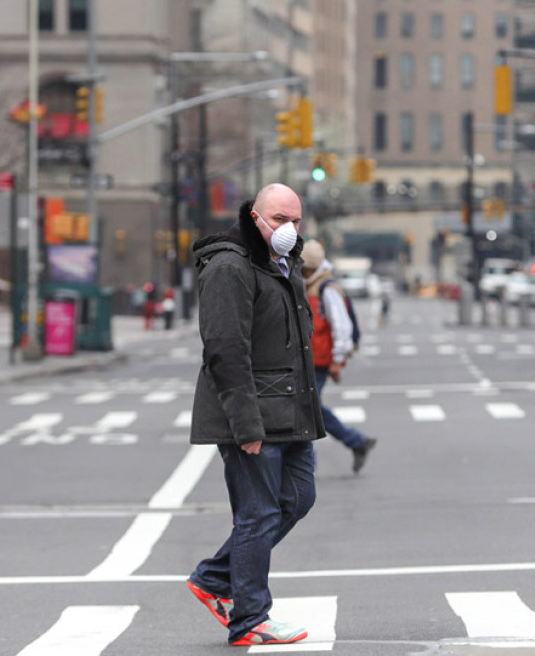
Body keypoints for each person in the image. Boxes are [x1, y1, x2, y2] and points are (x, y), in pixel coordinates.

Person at [185, 183, 325, 647]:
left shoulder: (282, 264)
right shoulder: (229, 266)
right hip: (255, 416)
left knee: (297, 499)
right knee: (257, 513)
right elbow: (226, 350)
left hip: (290, 411)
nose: (290, 229)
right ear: (255, 216)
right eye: (280, 219)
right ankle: (249, 618)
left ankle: (213, 578)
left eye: (296, 220)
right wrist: (246, 424)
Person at [301, 240, 378, 474]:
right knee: (310, 408)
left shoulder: (327, 288)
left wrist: (336, 360)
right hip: (313, 358)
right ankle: (356, 442)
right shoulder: (313, 284)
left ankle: (306, 464)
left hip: (321, 359)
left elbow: (341, 327)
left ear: (310, 268)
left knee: (307, 409)